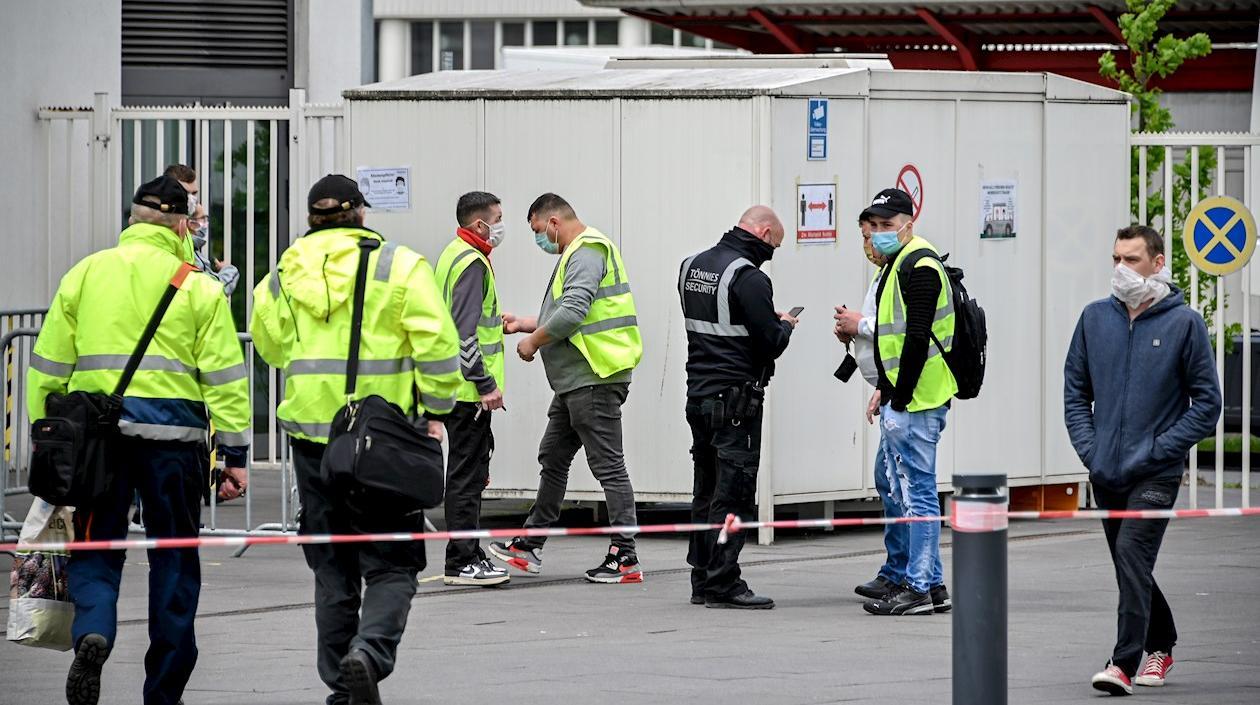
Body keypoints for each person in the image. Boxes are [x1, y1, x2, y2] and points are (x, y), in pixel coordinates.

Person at [27, 174, 251, 705]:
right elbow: (225, 377)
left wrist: (49, 441)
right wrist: (236, 456)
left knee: (96, 548)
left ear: (132, 219)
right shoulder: (197, 285)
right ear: (179, 224)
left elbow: (47, 367)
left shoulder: (85, 273)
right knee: (173, 561)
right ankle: (162, 692)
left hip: (95, 445)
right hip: (174, 444)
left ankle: (94, 632)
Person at [250, 174, 463, 705]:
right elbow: (438, 343)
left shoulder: (281, 273)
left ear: (311, 219)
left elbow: (273, 348)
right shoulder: (399, 265)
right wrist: (437, 408)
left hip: (311, 438)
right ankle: (368, 654)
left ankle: (341, 688)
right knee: (393, 562)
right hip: (382, 439)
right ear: (361, 214)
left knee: (332, 567)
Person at [1064, 225, 1221, 696]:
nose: (1120, 269)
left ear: (1157, 263)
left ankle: (1122, 662)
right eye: (1115, 258)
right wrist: (1090, 451)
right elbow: (1075, 393)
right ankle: (1163, 643)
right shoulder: (1094, 319)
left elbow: (1207, 404)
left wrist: (1159, 449)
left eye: (1131, 259)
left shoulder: (1184, 324)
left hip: (1155, 472)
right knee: (1129, 565)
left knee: (1132, 553)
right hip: (1107, 471)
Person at [488, 193, 645, 584]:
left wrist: (533, 341)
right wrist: (527, 323)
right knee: (553, 456)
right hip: (576, 380)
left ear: (554, 221)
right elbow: (572, 311)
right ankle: (529, 546)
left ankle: (625, 558)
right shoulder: (576, 253)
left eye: (539, 230)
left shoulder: (587, 251)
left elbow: (574, 311)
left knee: (608, 465)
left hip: (594, 377)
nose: (540, 239)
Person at [678, 205, 797, 609]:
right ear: (763, 234)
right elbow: (770, 342)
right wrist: (784, 326)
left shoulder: (690, 266)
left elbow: (721, 324)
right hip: (736, 401)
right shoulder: (750, 277)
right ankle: (724, 582)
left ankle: (701, 580)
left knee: (705, 491)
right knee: (733, 495)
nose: (771, 254)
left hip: (698, 395)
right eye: (774, 246)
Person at [848, 188, 955, 617]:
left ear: (909, 224)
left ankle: (917, 587)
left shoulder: (921, 264)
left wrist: (902, 396)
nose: (878, 235)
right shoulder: (901, 263)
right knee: (899, 484)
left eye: (887, 226)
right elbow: (897, 338)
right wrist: (887, 390)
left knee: (919, 493)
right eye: (872, 228)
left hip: (919, 398)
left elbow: (915, 337)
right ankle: (929, 582)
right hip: (907, 394)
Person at [432, 191, 511, 587]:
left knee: (468, 473)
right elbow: (465, 335)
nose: (500, 225)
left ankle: (470, 551)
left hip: (456, 387)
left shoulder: (453, 253)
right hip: (469, 393)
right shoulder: (472, 263)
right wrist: (485, 383)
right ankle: (461, 560)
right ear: (479, 224)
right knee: (466, 476)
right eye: (497, 218)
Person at [162, 164, 239, 293]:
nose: (192, 200)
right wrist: (230, 271)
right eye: (186, 193)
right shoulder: (172, 241)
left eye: (194, 193)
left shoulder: (191, 246)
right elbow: (212, 291)